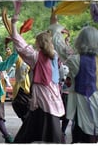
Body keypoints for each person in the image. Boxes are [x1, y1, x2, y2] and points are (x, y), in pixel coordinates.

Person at [10, 8, 65, 143]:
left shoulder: (35, 57)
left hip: (42, 97)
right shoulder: (56, 55)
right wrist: (54, 18)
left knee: (38, 131)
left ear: (39, 43)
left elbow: (20, 45)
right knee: (49, 130)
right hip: (54, 96)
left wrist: (13, 24)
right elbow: (59, 39)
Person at [49, 12, 98, 143]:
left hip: (86, 109)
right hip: (90, 108)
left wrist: (55, 25)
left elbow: (59, 45)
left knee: (85, 137)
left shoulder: (78, 61)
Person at [5, 46, 31, 122]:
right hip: (21, 89)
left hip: (25, 89)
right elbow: (12, 56)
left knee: (24, 108)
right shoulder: (20, 60)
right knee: (21, 107)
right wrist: (8, 47)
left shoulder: (29, 61)